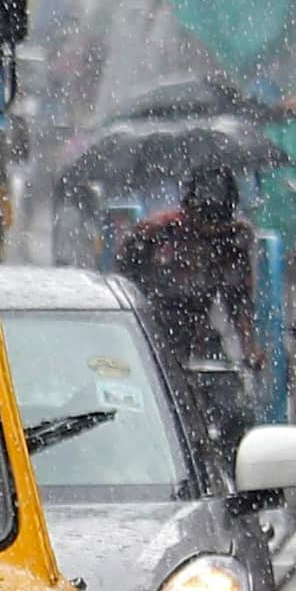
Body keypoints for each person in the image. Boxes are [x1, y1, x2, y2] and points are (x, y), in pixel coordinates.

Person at [110, 161, 259, 429]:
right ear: (188, 209)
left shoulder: (232, 240)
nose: (210, 230)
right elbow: (121, 282)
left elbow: (239, 301)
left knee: (234, 411)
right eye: (204, 220)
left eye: (218, 222)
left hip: (200, 333)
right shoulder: (154, 233)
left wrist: (249, 349)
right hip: (151, 327)